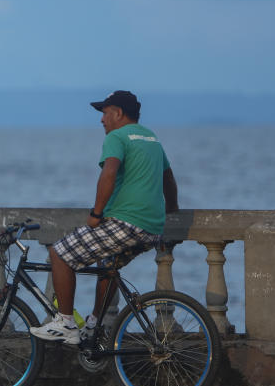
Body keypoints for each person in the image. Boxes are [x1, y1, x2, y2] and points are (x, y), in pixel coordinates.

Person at [30, 90, 179, 345]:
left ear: (118, 113)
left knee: (59, 253)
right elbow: (168, 179)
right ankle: (93, 325)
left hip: (127, 222)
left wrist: (96, 214)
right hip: (152, 227)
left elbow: (109, 173)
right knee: (108, 267)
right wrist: (171, 209)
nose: (102, 120)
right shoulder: (151, 138)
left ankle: (65, 322)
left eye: (105, 113)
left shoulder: (117, 136)